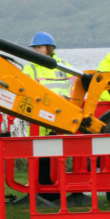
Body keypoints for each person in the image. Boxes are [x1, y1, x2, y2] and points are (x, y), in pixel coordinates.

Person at [23, 31, 76, 203]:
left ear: (50, 49)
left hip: (61, 119)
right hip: (40, 121)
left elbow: (75, 86)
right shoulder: (29, 68)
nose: (37, 51)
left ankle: (56, 192)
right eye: (35, 48)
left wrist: (69, 100)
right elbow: (24, 90)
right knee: (42, 159)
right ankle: (44, 194)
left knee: (58, 158)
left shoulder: (64, 66)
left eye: (40, 47)